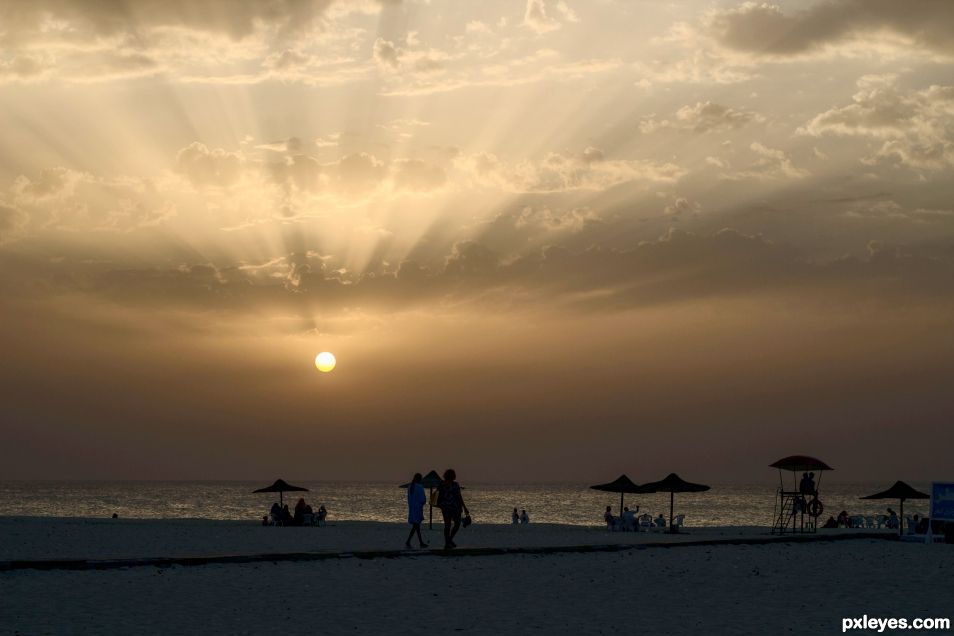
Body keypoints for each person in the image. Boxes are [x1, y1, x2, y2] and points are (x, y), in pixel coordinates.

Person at [435, 468, 468, 549]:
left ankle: (448, 542)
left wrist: (439, 504)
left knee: (447, 525)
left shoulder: (441, 484)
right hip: (454, 507)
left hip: (445, 507)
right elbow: (459, 497)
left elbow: (437, 495)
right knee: (457, 524)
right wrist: (464, 507)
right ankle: (449, 540)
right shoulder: (455, 484)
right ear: (453, 476)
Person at [405, 473, 429, 549]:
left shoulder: (410, 487)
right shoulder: (420, 487)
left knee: (416, 526)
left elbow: (409, 499)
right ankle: (410, 541)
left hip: (412, 509)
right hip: (418, 509)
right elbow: (423, 499)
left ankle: (418, 542)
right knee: (416, 526)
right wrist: (423, 502)